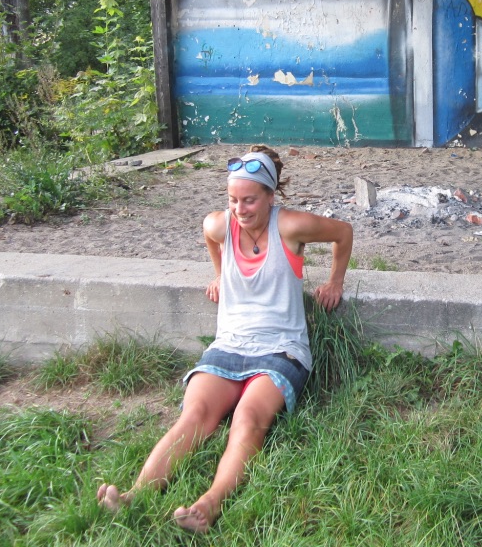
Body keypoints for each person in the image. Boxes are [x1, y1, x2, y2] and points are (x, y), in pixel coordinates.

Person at [96, 144, 353, 533]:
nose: (239, 209)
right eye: (233, 200)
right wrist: (220, 274)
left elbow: (343, 232)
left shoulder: (290, 226)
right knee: (195, 415)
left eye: (249, 200)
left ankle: (209, 505)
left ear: (270, 196)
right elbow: (209, 233)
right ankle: (135, 494)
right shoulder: (220, 224)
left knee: (248, 418)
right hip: (228, 345)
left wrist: (335, 281)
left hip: (281, 351)